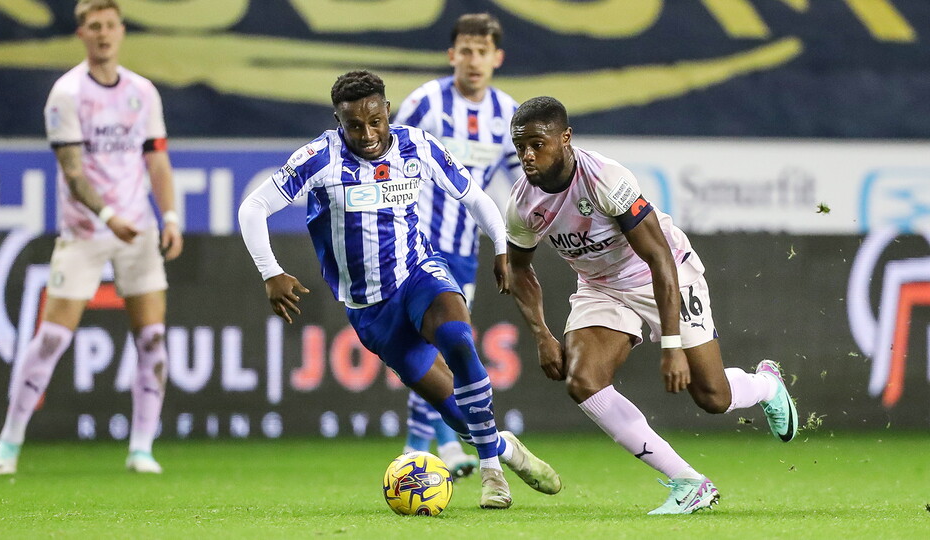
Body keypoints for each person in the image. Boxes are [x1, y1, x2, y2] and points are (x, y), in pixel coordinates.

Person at [237, 70, 561, 509]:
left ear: (387, 111)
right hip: (369, 308)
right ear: (339, 121)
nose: (367, 134)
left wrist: (501, 249)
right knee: (452, 408)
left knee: (458, 338)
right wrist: (269, 271)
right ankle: (506, 449)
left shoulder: (418, 146)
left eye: (375, 121)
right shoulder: (319, 159)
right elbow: (254, 206)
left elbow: (476, 197)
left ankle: (491, 474)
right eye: (354, 125)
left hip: (419, 273)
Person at [505, 96, 798, 515]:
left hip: (664, 273)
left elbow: (658, 257)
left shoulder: (606, 179)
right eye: (520, 147)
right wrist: (541, 334)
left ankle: (767, 385)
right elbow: (519, 270)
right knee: (582, 379)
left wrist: (672, 344)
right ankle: (689, 483)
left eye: (537, 144)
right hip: (600, 287)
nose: (528, 156)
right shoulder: (521, 203)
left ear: (565, 138)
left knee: (711, 396)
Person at [0, 0, 182, 475]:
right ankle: (9, 441)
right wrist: (109, 215)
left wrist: (171, 215)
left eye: (110, 25)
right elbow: (73, 172)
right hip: (84, 231)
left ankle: (140, 449)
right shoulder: (67, 93)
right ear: (81, 34)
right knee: (52, 338)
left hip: (136, 230)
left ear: (120, 31)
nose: (103, 34)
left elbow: (156, 160)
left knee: (153, 338)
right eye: (93, 27)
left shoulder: (143, 92)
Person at [392, 12, 521, 479]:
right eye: (465, 50)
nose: (473, 60)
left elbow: (522, 180)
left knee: (447, 348)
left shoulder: (507, 113)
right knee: (430, 346)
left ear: (496, 58)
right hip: (415, 246)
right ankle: (417, 447)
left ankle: (444, 443)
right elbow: (387, 154)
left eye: (482, 51)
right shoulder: (424, 102)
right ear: (452, 55)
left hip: (465, 249)